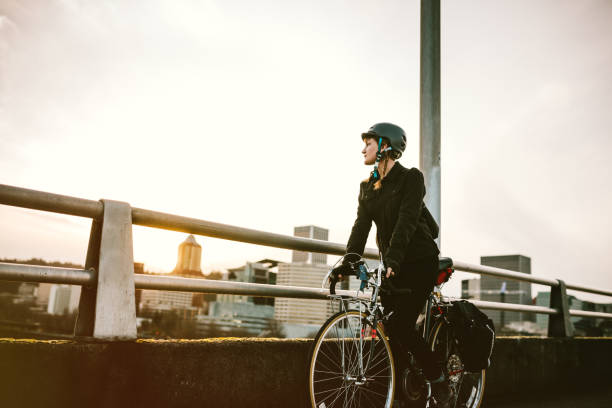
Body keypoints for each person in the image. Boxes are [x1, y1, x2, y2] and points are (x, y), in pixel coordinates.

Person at [341, 122, 452, 407]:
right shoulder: (367, 187)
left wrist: (392, 259)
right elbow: (360, 226)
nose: (363, 148)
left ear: (385, 146)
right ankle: (405, 393)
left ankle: (437, 378)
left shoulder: (411, 178)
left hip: (418, 262)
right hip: (394, 264)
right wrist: (349, 259)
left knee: (402, 325)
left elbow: (406, 221)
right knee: (389, 328)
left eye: (369, 142)